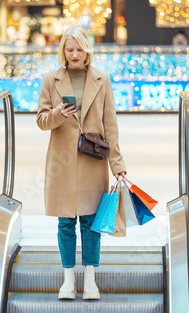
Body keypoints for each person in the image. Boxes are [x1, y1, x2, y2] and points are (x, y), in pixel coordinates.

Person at [36, 25, 127, 300]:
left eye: (79, 49)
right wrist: (58, 114)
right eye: (69, 48)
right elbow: (41, 121)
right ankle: (67, 280)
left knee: (90, 222)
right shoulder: (51, 79)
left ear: (87, 50)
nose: (74, 54)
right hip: (61, 163)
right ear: (63, 50)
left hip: (92, 160)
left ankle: (90, 279)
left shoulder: (102, 79)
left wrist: (118, 166)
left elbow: (110, 125)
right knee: (65, 222)